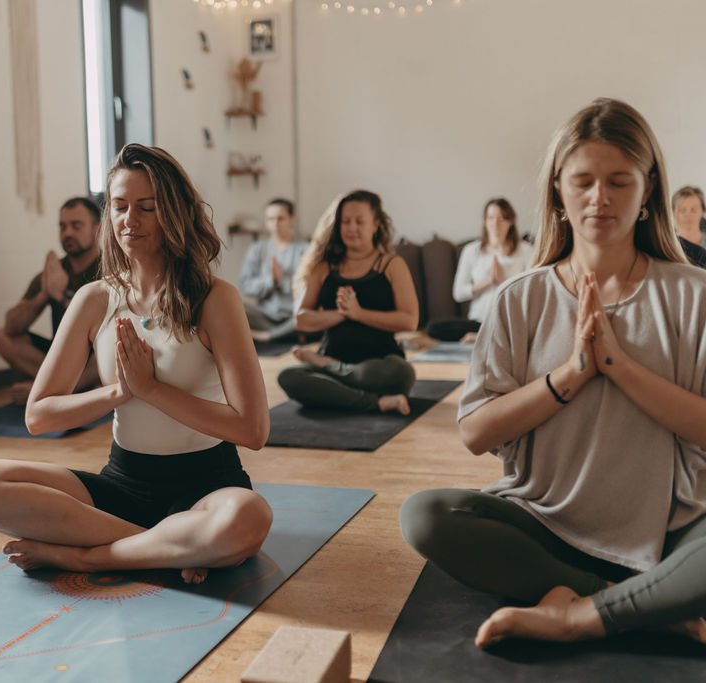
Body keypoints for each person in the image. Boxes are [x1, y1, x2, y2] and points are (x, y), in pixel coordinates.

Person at [400, 98, 706, 648]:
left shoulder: (692, 295)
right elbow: (475, 432)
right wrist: (570, 375)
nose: (599, 198)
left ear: (646, 191)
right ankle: (634, 602)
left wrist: (617, 366)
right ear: (559, 192)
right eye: (583, 180)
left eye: (619, 181)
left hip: (669, 528)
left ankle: (576, 612)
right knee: (422, 515)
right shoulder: (519, 299)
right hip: (546, 523)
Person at [0, 143, 272, 584]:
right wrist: (120, 392)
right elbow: (38, 416)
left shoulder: (215, 299)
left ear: (174, 214)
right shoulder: (95, 299)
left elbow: (252, 430)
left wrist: (154, 390)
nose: (129, 221)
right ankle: (163, 546)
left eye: (147, 208)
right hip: (122, 484)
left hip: (207, 488)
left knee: (248, 517)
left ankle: (91, 557)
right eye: (119, 207)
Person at [277, 189, 419, 414]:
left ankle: (335, 377)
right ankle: (376, 402)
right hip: (333, 356)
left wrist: (360, 313)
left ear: (376, 225)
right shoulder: (324, 268)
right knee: (289, 377)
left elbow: (409, 321)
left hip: (379, 366)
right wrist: (344, 312)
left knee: (403, 373)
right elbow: (301, 320)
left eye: (359, 221)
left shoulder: (392, 265)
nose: (352, 228)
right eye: (346, 222)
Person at [0, 197, 102, 404]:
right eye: (62, 226)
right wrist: (45, 294)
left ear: (97, 229)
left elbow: (104, 324)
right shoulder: (53, 273)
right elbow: (11, 327)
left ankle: (54, 390)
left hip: (95, 356)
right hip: (63, 355)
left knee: (114, 345)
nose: (68, 233)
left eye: (76, 226)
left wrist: (61, 297)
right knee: (2, 338)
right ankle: (62, 389)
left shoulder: (110, 269)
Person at [425, 198, 534, 342]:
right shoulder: (471, 250)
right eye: (490, 218)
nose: (495, 224)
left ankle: (483, 338)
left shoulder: (526, 250)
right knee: (434, 327)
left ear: (511, 221)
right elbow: (458, 293)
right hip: (479, 322)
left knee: (529, 329)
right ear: (485, 221)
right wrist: (487, 282)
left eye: (501, 219)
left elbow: (532, 294)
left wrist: (503, 282)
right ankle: (485, 336)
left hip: (511, 321)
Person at [239, 198, 309, 342]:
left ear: (291, 219)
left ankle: (268, 336)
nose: (275, 223)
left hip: (293, 316)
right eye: (270, 219)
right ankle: (283, 334)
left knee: (311, 315)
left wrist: (282, 279)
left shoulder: (305, 250)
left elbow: (309, 289)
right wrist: (270, 281)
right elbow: (245, 285)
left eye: (280, 218)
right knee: (234, 306)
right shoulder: (257, 249)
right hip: (264, 316)